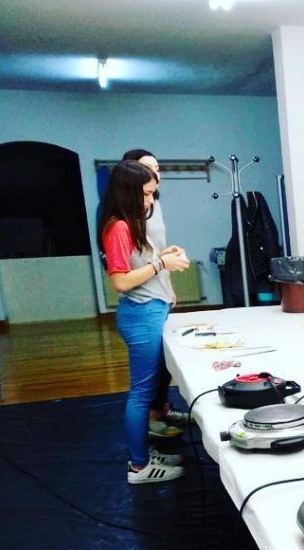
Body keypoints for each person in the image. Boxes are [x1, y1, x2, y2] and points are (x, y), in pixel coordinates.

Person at [99, 161, 192, 484]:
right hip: (141, 316)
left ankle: (143, 455)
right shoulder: (119, 227)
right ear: (128, 192)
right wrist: (160, 264)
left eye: (153, 194)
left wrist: (163, 255)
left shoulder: (131, 224)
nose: (151, 201)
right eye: (146, 194)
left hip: (151, 311)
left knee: (148, 389)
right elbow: (121, 282)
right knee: (141, 394)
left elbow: (139, 264)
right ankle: (139, 467)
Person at [120, 148, 189, 441]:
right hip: (141, 303)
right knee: (142, 386)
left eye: (158, 168)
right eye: (148, 169)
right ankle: (145, 441)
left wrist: (167, 280)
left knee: (163, 361)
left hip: (158, 297)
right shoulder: (120, 220)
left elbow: (151, 249)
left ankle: (161, 409)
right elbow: (122, 277)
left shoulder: (153, 204)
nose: (155, 175)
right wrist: (160, 263)